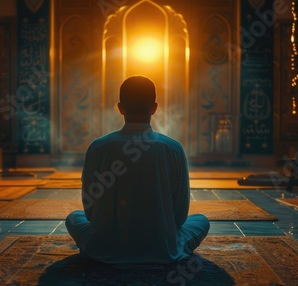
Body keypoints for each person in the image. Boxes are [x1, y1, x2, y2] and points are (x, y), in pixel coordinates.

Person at [65, 75, 209, 264]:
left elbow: (89, 212)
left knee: (74, 218)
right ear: (154, 108)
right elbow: (180, 215)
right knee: (201, 221)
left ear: (120, 108)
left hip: (104, 246)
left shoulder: (98, 147)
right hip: (162, 247)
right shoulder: (172, 148)